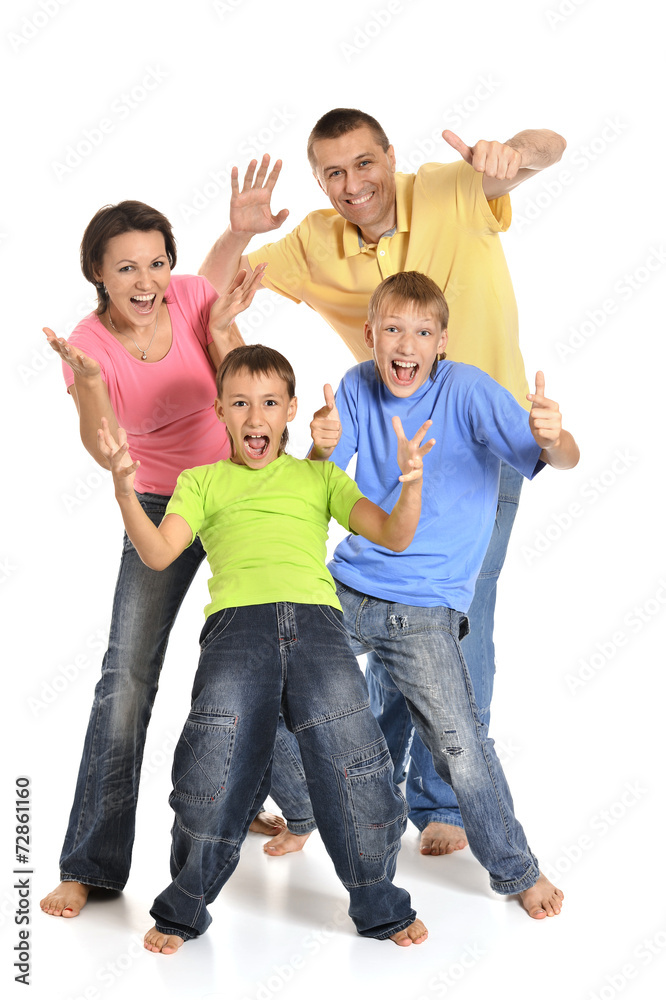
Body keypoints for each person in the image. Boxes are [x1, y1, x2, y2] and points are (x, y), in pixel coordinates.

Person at [198, 108, 567, 854]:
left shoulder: (448, 190)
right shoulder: (314, 241)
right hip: (390, 443)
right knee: (401, 613)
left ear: (389, 158)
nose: (352, 185)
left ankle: (443, 804)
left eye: (365, 165)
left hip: (479, 441)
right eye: (333, 173)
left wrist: (514, 154)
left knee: (457, 615)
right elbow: (206, 296)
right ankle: (362, 784)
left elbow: (549, 148)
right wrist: (238, 232)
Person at [97, 343, 435, 953]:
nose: (256, 417)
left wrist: (410, 485)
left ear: (290, 411)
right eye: (241, 404)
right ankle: (184, 907)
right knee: (214, 757)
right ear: (220, 412)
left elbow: (393, 533)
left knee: (353, 759)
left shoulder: (319, 476)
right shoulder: (200, 482)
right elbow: (158, 553)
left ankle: (380, 903)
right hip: (237, 632)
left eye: (270, 403)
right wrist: (125, 491)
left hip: (319, 629)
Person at [310, 271, 579, 918]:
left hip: (423, 606)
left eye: (422, 332)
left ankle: (517, 871)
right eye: (394, 330)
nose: (407, 344)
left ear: (442, 341)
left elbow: (563, 458)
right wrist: (316, 447)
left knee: (460, 744)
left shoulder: (468, 392)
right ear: (371, 335)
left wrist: (551, 435)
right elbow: (318, 479)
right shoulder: (354, 386)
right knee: (270, 672)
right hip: (347, 586)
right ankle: (295, 815)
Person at [39, 199, 281, 920]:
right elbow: (105, 444)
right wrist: (87, 387)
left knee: (274, 648)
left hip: (238, 490)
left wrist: (238, 233)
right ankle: (90, 865)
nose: (147, 281)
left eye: (157, 262)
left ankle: (269, 805)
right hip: (159, 506)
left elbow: (216, 307)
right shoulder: (90, 347)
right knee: (128, 675)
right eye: (126, 268)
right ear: (97, 275)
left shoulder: (187, 294)